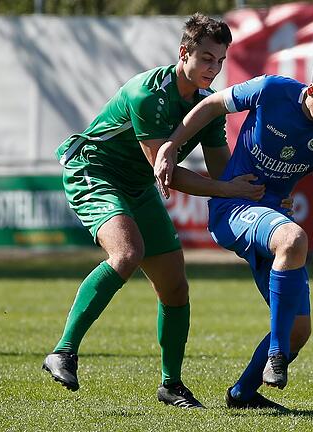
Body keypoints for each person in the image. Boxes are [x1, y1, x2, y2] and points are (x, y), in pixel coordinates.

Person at [154, 48, 313, 409]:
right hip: (233, 207)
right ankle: (276, 355)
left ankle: (242, 394)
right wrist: (171, 146)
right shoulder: (272, 90)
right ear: (312, 91)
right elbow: (212, 106)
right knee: (294, 237)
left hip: (271, 213)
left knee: (299, 330)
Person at [42, 13, 265, 409]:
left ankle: (171, 384)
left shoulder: (207, 107)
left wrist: (263, 199)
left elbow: (223, 172)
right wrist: (226, 188)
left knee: (175, 286)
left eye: (220, 61)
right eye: (206, 59)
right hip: (94, 170)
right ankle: (63, 351)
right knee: (127, 253)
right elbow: (170, 174)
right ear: (184, 53)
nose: (213, 69)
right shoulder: (148, 94)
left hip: (137, 187)